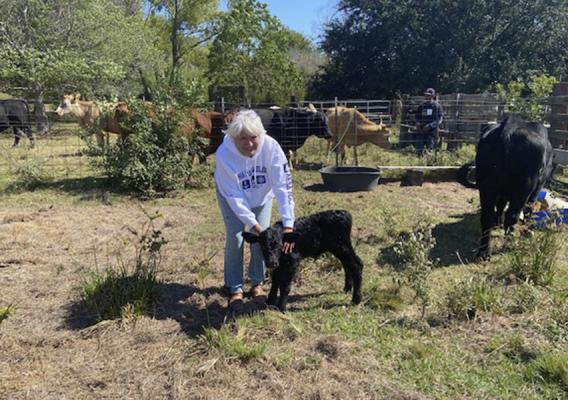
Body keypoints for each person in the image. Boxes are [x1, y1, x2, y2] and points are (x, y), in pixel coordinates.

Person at [214, 109, 295, 313]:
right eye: (243, 139)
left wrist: (288, 225)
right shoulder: (225, 155)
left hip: (261, 195)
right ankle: (235, 288)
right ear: (234, 138)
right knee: (236, 237)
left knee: (262, 239)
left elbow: (283, 187)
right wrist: (256, 226)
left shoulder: (272, 148)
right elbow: (236, 199)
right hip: (232, 197)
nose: (249, 144)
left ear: (262, 135)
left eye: (254, 138)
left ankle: (257, 282)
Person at [414, 87, 444, 154]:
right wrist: (417, 123)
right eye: (426, 95)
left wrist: (430, 126)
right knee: (419, 149)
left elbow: (439, 119)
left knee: (429, 149)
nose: (427, 96)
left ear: (433, 96)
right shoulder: (421, 106)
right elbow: (417, 116)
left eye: (429, 95)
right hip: (421, 130)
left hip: (431, 131)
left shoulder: (437, 106)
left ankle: (429, 162)